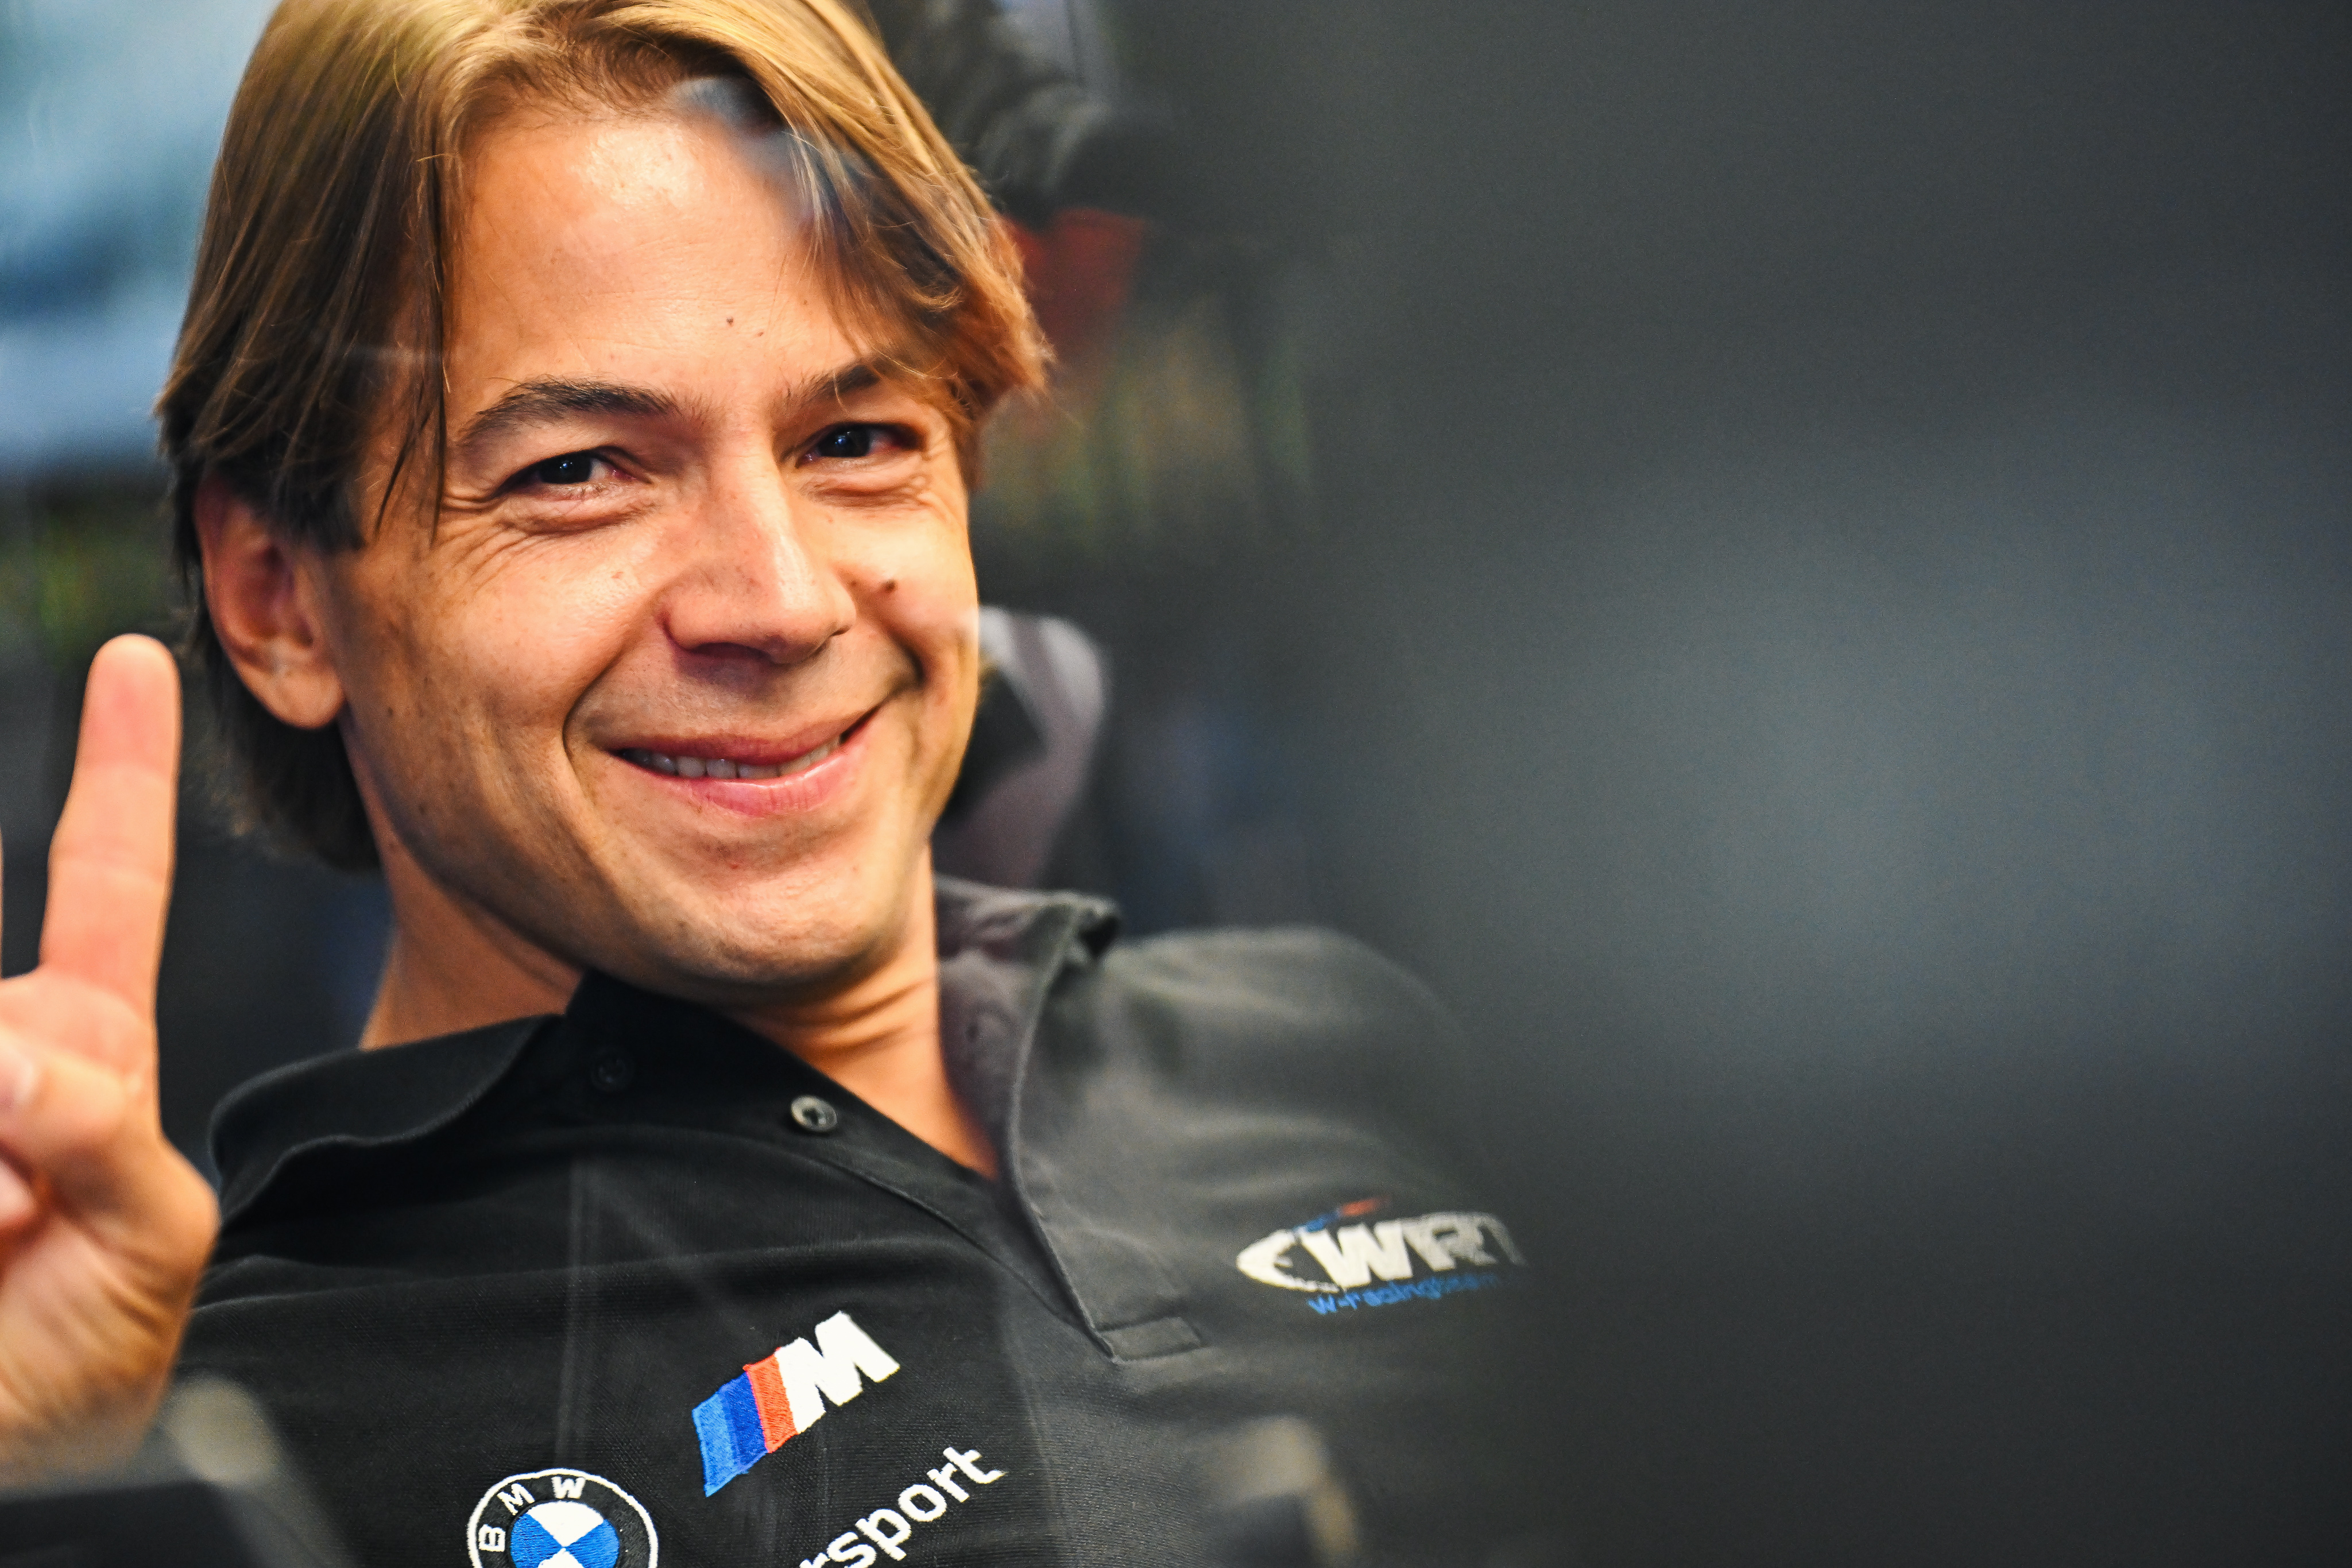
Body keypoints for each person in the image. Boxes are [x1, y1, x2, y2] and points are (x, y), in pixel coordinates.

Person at [0, 2, 1543, 1562]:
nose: (785, 600)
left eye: (857, 438)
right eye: (580, 471)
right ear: (277, 596)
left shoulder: (1344, 1049)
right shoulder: (211, 1422)